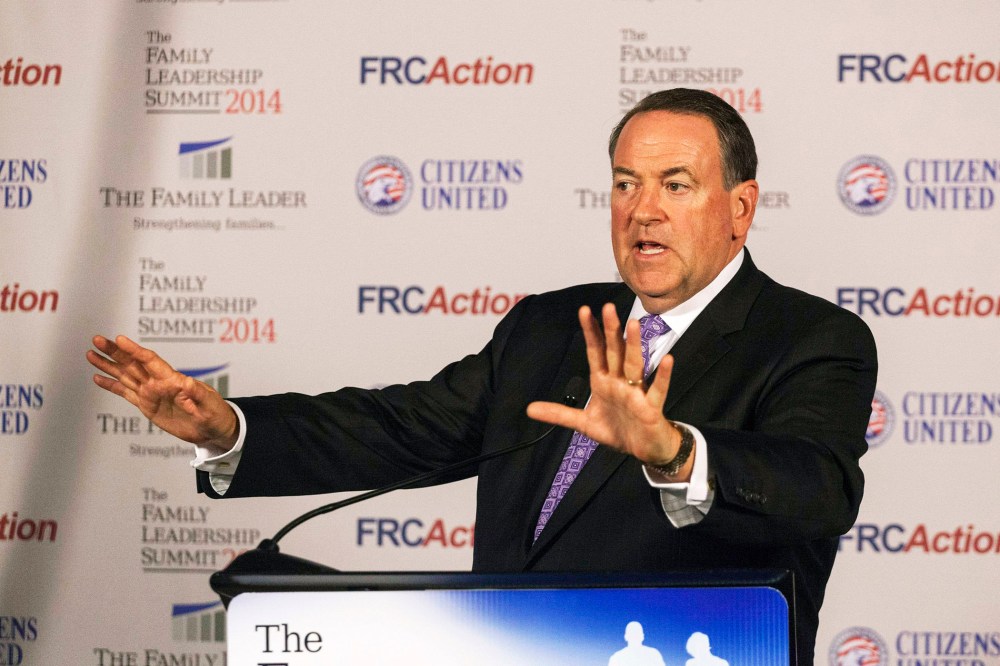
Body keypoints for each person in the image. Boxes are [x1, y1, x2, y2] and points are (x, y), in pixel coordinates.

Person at [87, 88, 877, 665]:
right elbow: (405, 429)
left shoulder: (811, 339)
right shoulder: (551, 327)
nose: (643, 211)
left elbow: (816, 489)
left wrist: (673, 452)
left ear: (739, 208)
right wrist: (231, 429)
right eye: (625, 183)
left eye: (676, 185)